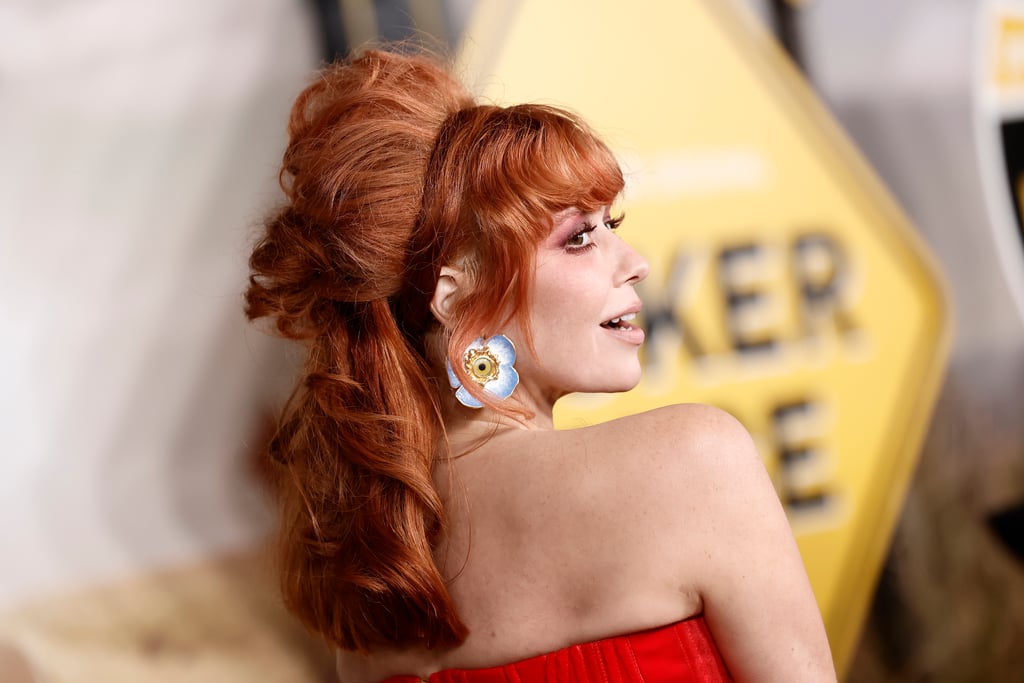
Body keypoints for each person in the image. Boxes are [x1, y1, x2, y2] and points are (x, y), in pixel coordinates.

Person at [245, 48, 837, 683]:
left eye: (612, 225)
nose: (633, 260)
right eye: (578, 237)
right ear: (456, 299)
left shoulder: (379, 572)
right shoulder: (695, 460)